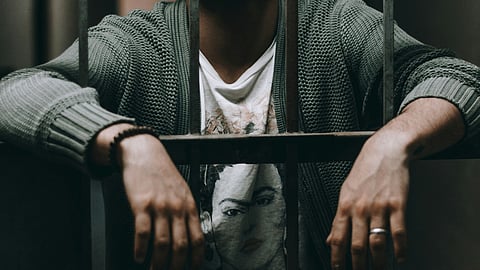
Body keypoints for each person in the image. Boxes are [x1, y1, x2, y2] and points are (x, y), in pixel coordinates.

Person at [0, 0, 479, 269]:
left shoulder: (337, 27)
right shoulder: (135, 45)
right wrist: (131, 142)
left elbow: (457, 78)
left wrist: (393, 142)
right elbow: (16, 91)